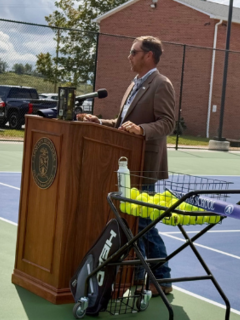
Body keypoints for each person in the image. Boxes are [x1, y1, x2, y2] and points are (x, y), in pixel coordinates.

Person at [79, 36, 176, 296]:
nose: (129, 56)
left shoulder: (161, 84)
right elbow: (124, 123)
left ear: (148, 56)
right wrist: (99, 122)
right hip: (126, 165)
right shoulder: (134, 84)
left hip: (145, 165)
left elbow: (168, 123)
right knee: (133, 224)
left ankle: (162, 280)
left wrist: (142, 129)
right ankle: (138, 277)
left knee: (143, 223)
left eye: (133, 52)